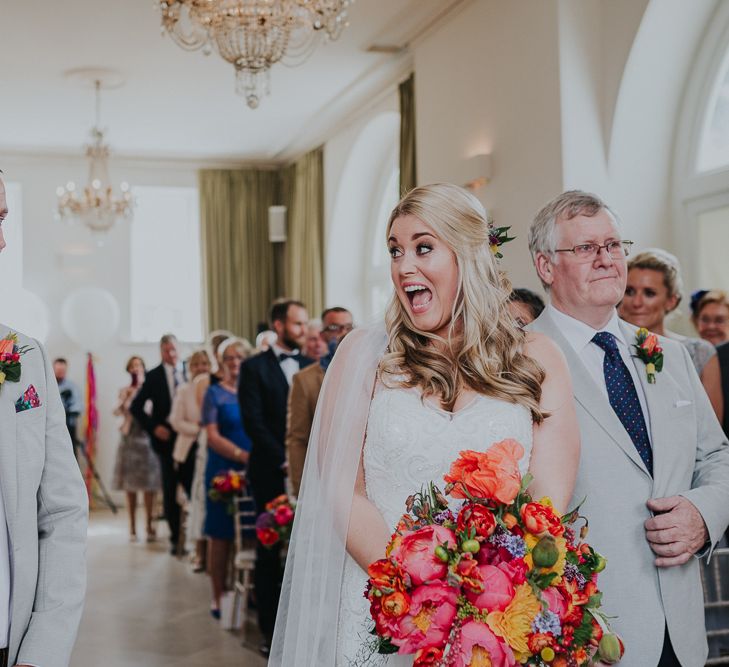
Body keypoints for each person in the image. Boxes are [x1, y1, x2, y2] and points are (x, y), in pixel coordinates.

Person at [271, 183, 579, 665]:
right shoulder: (363, 355)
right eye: (395, 251)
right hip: (383, 602)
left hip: (495, 613)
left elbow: (547, 496)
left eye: (423, 247)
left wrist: (486, 595)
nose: (403, 266)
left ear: (468, 255)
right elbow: (340, 490)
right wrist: (420, 595)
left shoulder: (537, 357)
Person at [527, 190, 729, 666]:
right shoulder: (515, 361)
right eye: (585, 248)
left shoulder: (670, 354)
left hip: (679, 627)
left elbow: (717, 457)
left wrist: (703, 515)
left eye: (613, 245)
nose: (606, 260)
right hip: (579, 631)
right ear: (545, 266)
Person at [0, 170, 88, 666]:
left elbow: (62, 510)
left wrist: (44, 650)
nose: (3, 241)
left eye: (4, 219)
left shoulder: (23, 355)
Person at [239, 299, 314, 654]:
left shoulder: (311, 366)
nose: (303, 330)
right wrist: (284, 458)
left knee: (305, 552)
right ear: (279, 325)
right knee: (270, 552)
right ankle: (271, 633)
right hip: (269, 471)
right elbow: (252, 420)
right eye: (297, 324)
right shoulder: (254, 368)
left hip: (306, 475)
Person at [618, 248, 723, 420]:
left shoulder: (700, 352)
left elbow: (712, 433)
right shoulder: (610, 350)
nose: (637, 302)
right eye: (629, 291)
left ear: (671, 301)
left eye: (649, 293)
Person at [202, 338, 253, 618]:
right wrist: (241, 455)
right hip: (222, 468)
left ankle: (250, 593)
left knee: (251, 531)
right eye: (229, 358)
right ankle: (218, 594)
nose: (235, 363)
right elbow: (212, 435)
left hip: (252, 469)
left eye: (239, 358)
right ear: (221, 363)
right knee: (220, 533)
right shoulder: (214, 394)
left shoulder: (252, 391)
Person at [286, 306, 354, 496]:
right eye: (335, 327)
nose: (342, 334)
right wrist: (301, 489)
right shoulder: (304, 380)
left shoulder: (370, 370)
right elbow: (297, 439)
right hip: (324, 478)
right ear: (323, 334)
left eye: (348, 327)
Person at [130, 333, 186, 555]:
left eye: (174, 349)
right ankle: (174, 538)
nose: (171, 354)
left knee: (191, 488)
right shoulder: (153, 376)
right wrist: (154, 428)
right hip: (166, 440)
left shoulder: (190, 372)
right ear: (161, 352)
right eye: (166, 350)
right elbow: (136, 407)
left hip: (191, 439)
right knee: (170, 489)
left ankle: (193, 538)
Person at [112, 356, 161, 542]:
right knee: (129, 486)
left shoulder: (149, 390)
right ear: (129, 370)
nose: (136, 368)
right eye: (132, 366)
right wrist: (126, 399)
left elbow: (153, 413)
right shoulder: (125, 390)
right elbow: (116, 412)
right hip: (129, 440)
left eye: (138, 365)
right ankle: (132, 526)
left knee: (150, 485)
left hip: (146, 440)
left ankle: (149, 524)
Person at [170, 349, 212, 498]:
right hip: (189, 449)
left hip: (213, 447)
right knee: (192, 495)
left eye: (204, 363)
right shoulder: (184, 390)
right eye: (196, 364)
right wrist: (199, 429)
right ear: (190, 367)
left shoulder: (216, 388)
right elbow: (176, 421)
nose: (201, 367)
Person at [53, 357, 83, 451]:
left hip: (68, 425)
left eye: (63, 370)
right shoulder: (47, 386)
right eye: (58, 370)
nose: (60, 372)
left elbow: (78, 406)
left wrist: (67, 412)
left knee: (70, 451)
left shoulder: (72, 387)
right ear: (53, 369)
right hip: (51, 425)